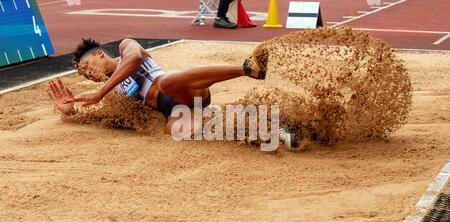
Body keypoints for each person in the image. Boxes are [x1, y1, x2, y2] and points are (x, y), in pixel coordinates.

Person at [47, 38, 297, 147]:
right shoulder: (114, 96)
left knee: (166, 83)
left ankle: (247, 69)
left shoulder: (125, 48)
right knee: (175, 131)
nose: (88, 74)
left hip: (185, 89)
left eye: (87, 67)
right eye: (84, 75)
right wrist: (72, 113)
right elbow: (108, 119)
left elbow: (134, 59)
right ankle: (275, 132)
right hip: (175, 110)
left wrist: (101, 91)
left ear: (100, 54)